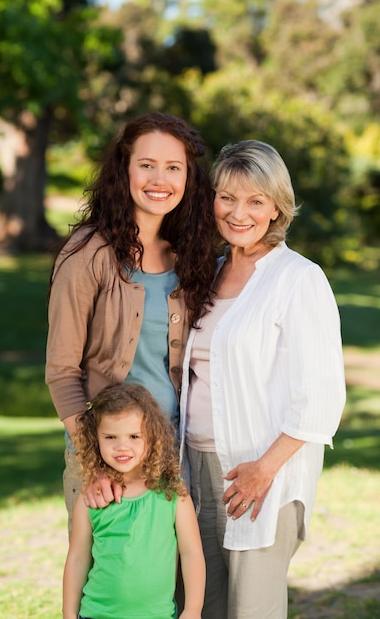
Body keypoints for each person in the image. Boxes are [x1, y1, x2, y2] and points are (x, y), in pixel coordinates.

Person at [179, 140, 346, 619]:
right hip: (195, 465)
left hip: (260, 474)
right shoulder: (207, 274)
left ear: (276, 207)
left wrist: (265, 469)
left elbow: (321, 396)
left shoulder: (299, 279)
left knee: (252, 610)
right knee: (201, 604)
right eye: (227, 197)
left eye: (255, 200)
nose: (238, 212)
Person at [45, 112, 216, 533]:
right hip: (107, 453)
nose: (160, 179)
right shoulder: (87, 254)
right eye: (147, 165)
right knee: (113, 585)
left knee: (167, 585)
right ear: (124, 170)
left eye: (173, 168)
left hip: (170, 452)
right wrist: (95, 462)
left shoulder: (189, 258)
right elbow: (61, 372)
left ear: (188, 178)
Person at [63, 382, 206, 619]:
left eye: (134, 436)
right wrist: (68, 613)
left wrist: (193, 610)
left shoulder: (173, 494)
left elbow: (191, 553)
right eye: (110, 436)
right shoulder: (93, 499)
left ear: (152, 437)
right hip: (97, 614)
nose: (122, 446)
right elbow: (78, 558)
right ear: (95, 438)